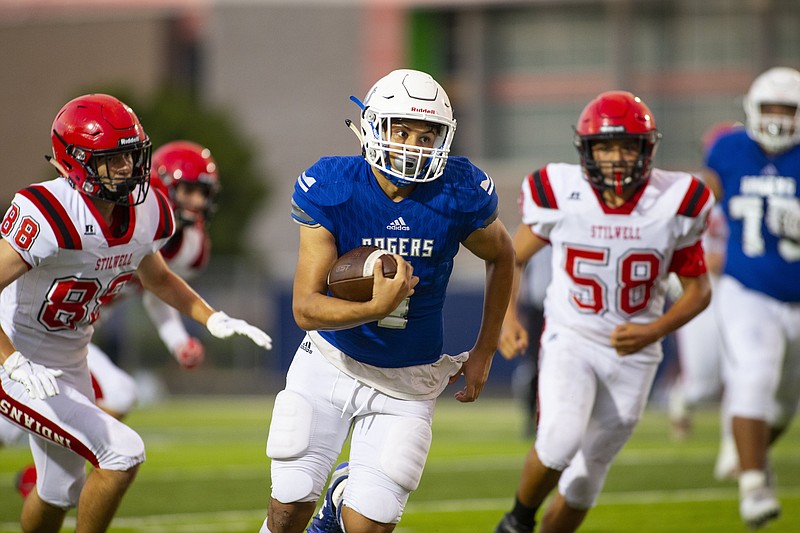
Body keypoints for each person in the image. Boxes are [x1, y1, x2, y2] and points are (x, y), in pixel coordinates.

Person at [0, 93, 271, 533]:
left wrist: (210, 317)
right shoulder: (49, 213)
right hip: (17, 360)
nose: (127, 169)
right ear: (77, 162)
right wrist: (11, 360)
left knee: (59, 489)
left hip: (70, 360)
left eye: (131, 155)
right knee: (122, 453)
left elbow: (158, 278)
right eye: (112, 160)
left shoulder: (147, 212)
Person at [258, 69, 514, 533]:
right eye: (401, 130)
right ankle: (327, 500)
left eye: (426, 134)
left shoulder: (458, 191)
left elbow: (503, 255)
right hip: (331, 362)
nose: (413, 144)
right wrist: (372, 309)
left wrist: (485, 350)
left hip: (409, 380)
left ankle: (340, 505)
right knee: (288, 508)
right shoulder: (336, 186)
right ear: (373, 127)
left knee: (368, 527)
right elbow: (305, 308)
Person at [495, 90, 713, 533]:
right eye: (606, 146)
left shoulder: (678, 200)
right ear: (587, 150)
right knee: (559, 440)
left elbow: (699, 291)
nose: (616, 157)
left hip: (635, 354)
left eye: (627, 145)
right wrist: (507, 317)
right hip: (571, 334)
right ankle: (516, 522)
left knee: (583, 483)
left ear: (645, 149)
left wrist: (654, 331)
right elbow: (509, 257)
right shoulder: (561, 191)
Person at [1, 139, 222, 499]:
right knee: (118, 396)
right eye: (190, 190)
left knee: (66, 479)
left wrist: (184, 337)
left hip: (77, 334)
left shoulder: (175, 237)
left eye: (203, 193)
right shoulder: (68, 215)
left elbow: (158, 286)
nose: (197, 202)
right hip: (30, 334)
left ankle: (53, 464)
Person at [703, 66, 800, 529]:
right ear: (752, 110)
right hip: (747, 288)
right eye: (771, 108)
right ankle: (754, 485)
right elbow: (702, 201)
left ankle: (746, 448)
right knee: (755, 373)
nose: (779, 118)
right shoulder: (729, 149)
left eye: (789, 109)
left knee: (784, 404)